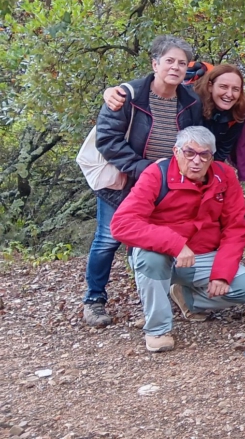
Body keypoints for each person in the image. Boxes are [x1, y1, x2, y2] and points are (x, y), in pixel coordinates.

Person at [81, 36, 204, 328]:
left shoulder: (190, 101)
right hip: (124, 181)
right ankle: (94, 300)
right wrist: (143, 168)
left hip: (164, 186)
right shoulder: (128, 96)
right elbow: (107, 140)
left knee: (149, 241)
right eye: (169, 61)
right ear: (155, 64)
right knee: (108, 239)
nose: (175, 67)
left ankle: (150, 303)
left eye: (182, 63)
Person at [109, 127, 245, 352]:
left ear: (212, 157)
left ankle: (187, 298)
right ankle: (158, 329)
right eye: (190, 153)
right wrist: (175, 244)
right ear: (176, 152)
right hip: (161, 255)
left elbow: (235, 228)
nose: (196, 161)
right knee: (152, 260)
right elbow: (122, 224)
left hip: (203, 256)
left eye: (204, 155)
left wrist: (221, 274)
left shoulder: (225, 176)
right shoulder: (156, 174)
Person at [102, 64, 245, 161]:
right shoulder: (189, 101)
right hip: (145, 163)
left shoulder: (237, 115)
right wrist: (113, 92)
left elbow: (220, 154)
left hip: (191, 168)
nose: (229, 94)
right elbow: (154, 89)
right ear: (210, 86)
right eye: (223, 87)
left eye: (235, 89)